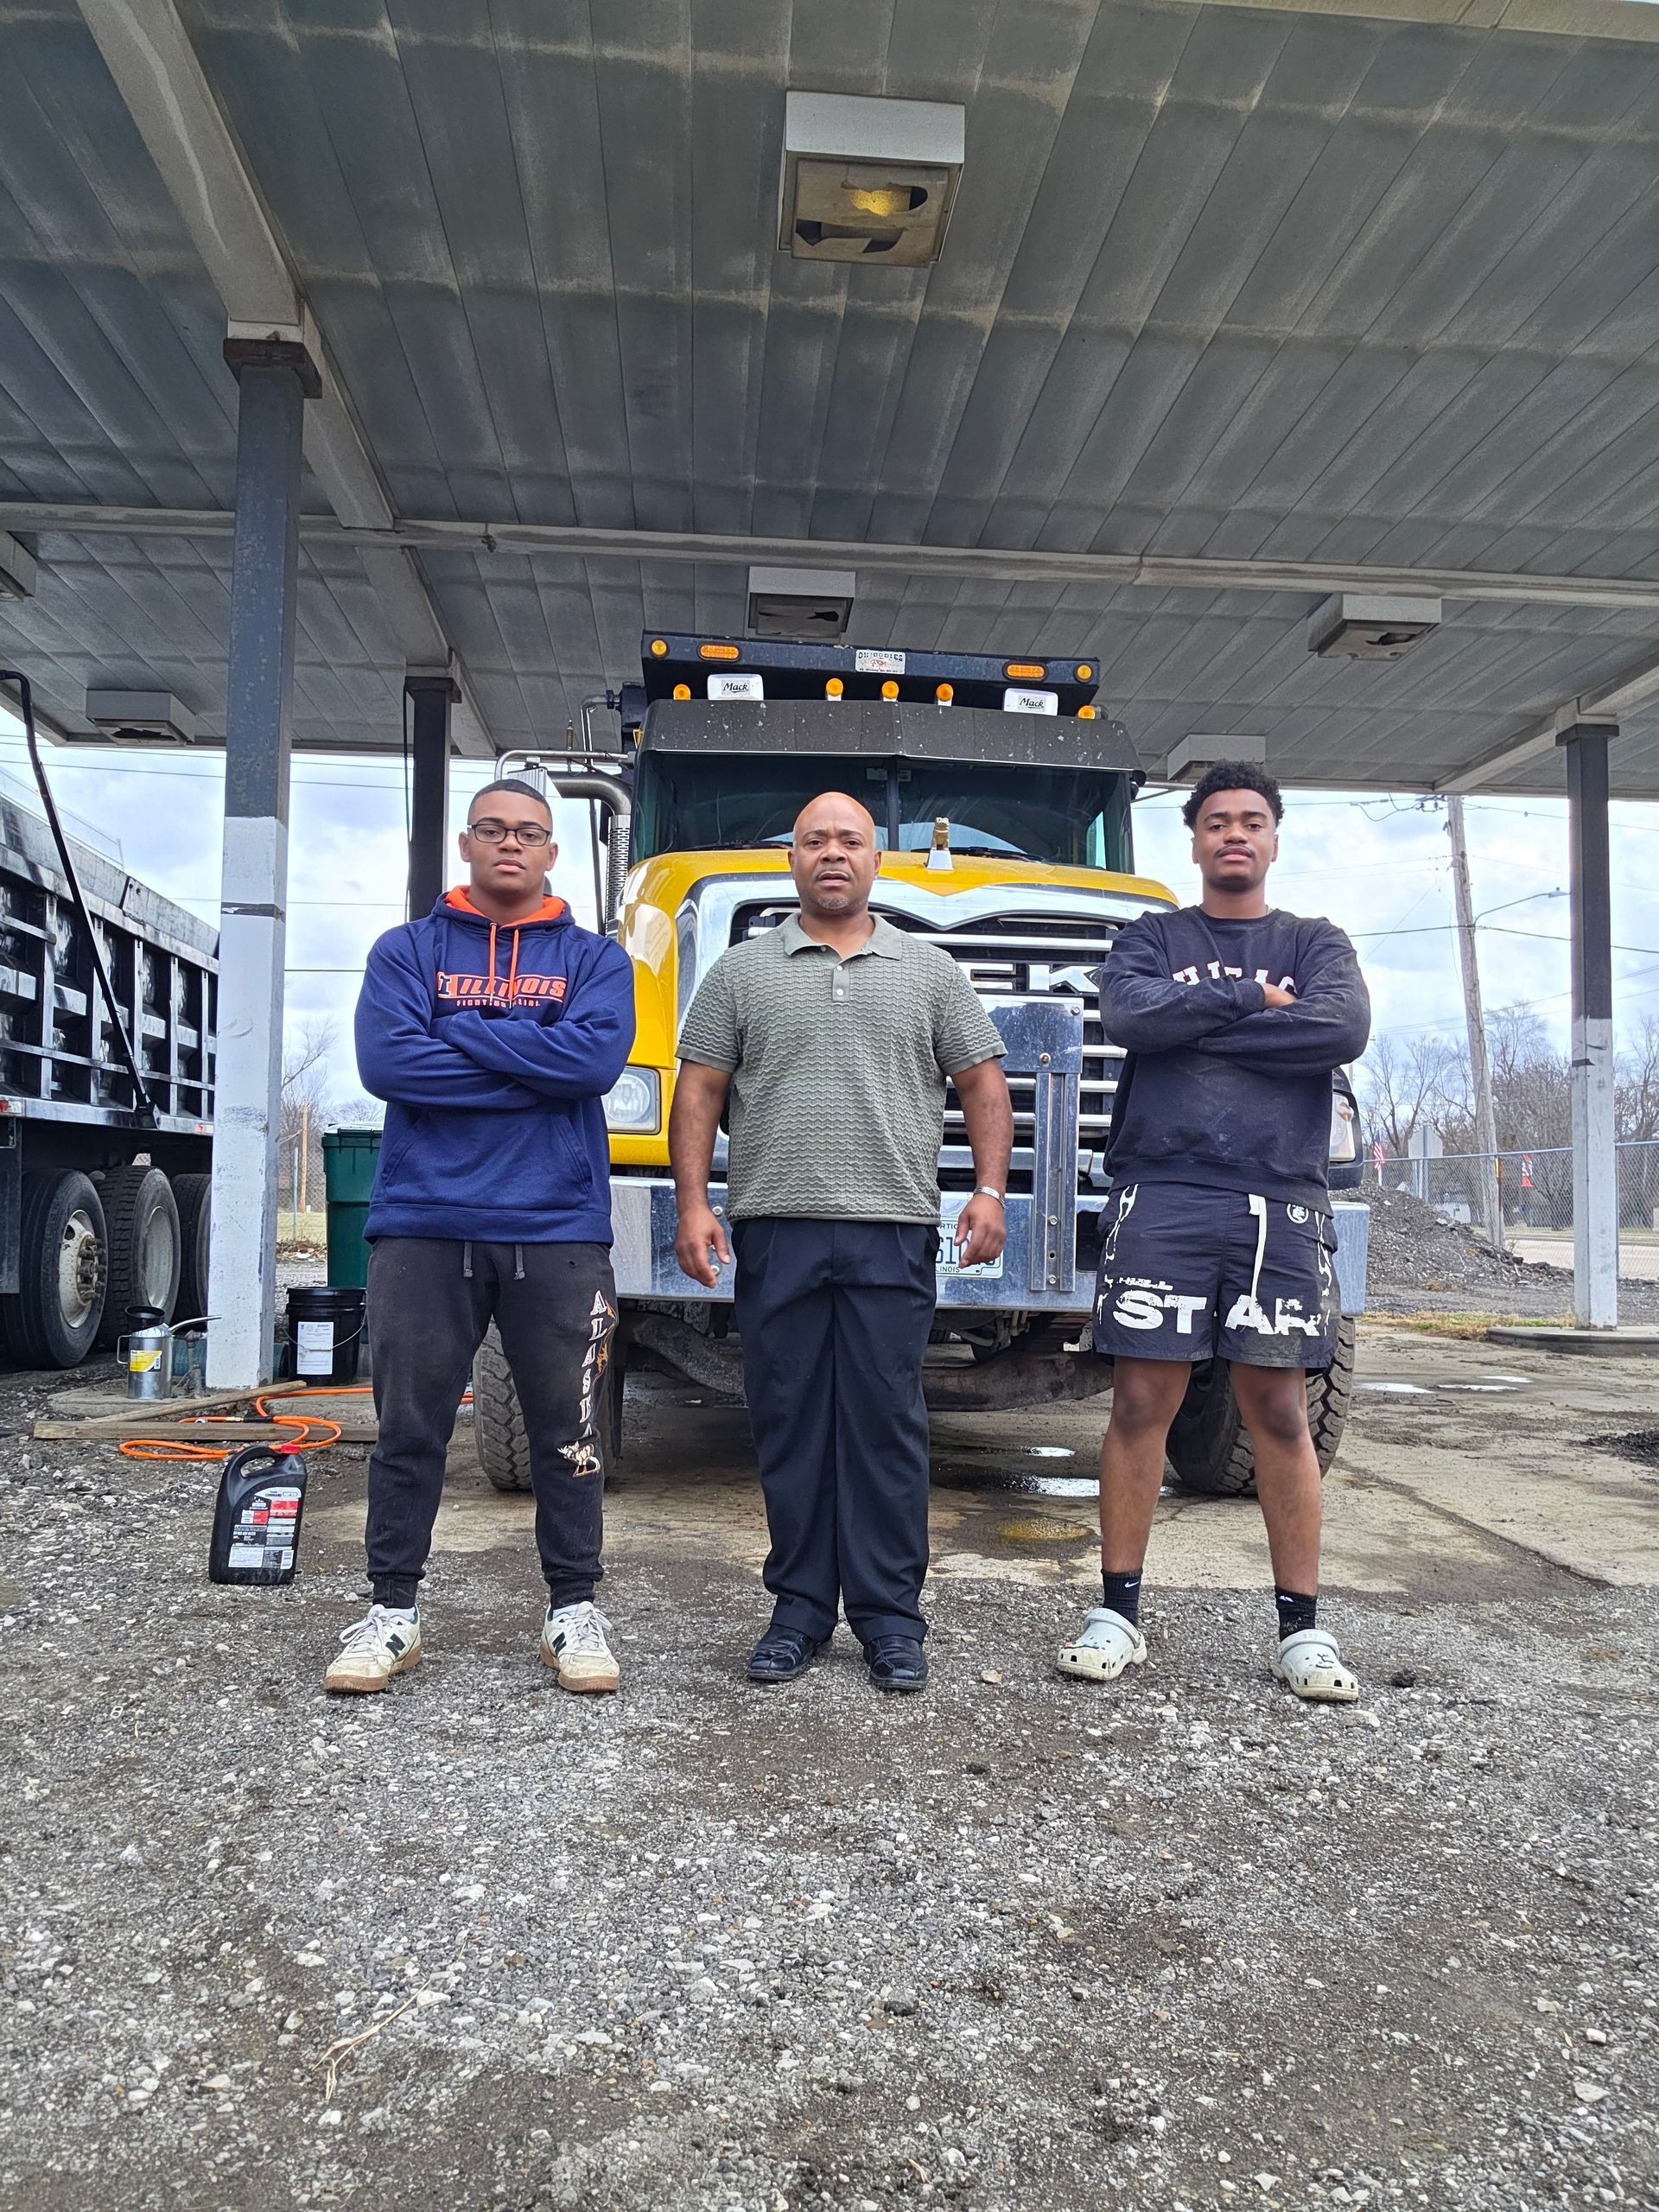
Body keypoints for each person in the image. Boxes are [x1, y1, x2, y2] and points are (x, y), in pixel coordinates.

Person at [670, 792, 1013, 1694]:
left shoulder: (930, 971)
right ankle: (798, 1612)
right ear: (792, 859)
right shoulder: (742, 973)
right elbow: (700, 1092)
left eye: (849, 841)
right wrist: (693, 1205)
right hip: (774, 1226)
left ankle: (892, 1621)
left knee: (885, 1426)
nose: (832, 854)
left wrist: (987, 1192)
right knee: (788, 1421)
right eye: (815, 840)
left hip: (891, 1229)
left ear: (876, 860)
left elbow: (982, 1083)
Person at [1058, 761, 1371, 1703]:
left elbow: (1340, 1029)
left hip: (1279, 1201)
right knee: (1141, 1403)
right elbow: (1127, 1015)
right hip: (1166, 1192)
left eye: (1252, 821)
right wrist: (1249, 1001)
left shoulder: (1316, 942)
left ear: (1274, 839)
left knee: (1276, 1410)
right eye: (1217, 823)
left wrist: (1192, 1025)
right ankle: (1118, 1611)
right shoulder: (1152, 935)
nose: (1234, 835)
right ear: (1193, 841)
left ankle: (1302, 1631)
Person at [325, 778, 636, 1698]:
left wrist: (459, 1033)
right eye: (493, 829)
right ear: (466, 844)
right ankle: (393, 1613)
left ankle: (572, 1609)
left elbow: (593, 1062)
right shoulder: (405, 950)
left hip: (557, 1225)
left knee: (569, 1436)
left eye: (529, 833)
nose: (511, 844)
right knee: (409, 1431)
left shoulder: (596, 959)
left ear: (551, 853)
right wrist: (531, 1054)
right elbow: (388, 1064)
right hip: (424, 1222)